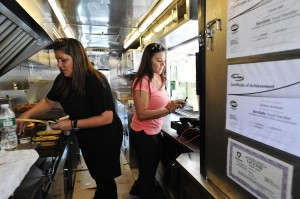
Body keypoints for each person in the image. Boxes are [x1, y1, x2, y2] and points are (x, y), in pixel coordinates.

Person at [17, 38, 123, 199]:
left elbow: (106, 117)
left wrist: (72, 124)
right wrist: (27, 115)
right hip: (87, 135)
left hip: (105, 137)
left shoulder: (94, 80)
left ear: (77, 58)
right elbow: (48, 101)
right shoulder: (62, 80)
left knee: (105, 178)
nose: (59, 64)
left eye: (63, 60)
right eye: (57, 60)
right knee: (98, 175)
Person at [129, 43, 186, 199]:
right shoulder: (142, 81)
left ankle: (136, 189)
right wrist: (168, 110)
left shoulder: (160, 77)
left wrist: (173, 104)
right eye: (159, 60)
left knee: (148, 169)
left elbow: (160, 103)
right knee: (148, 174)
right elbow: (142, 114)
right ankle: (144, 193)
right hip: (143, 134)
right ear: (149, 60)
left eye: (164, 60)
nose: (163, 64)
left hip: (155, 131)